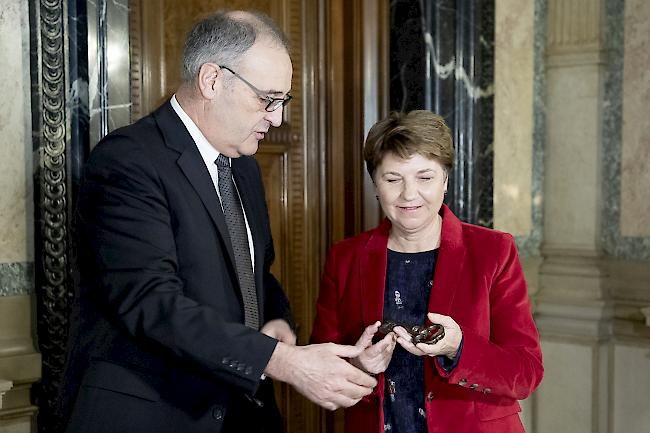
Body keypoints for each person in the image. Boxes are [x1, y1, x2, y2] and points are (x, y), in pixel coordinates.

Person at [58, 10, 376, 433]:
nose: (277, 119)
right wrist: (281, 362)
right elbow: (152, 303)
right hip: (153, 417)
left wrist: (277, 319)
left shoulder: (241, 165)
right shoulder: (128, 161)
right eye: (267, 99)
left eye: (283, 102)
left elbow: (254, 273)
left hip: (242, 415)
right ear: (212, 80)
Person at [311, 110, 544, 433]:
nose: (409, 194)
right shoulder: (345, 258)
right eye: (393, 179)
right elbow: (320, 370)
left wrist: (458, 348)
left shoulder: (494, 252)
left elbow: (526, 371)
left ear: (445, 181)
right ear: (375, 184)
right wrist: (358, 366)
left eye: (425, 177)